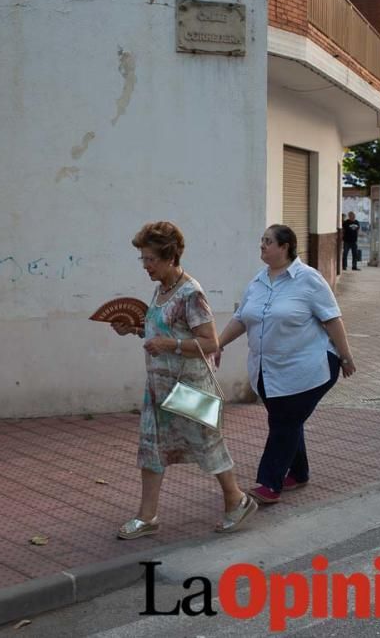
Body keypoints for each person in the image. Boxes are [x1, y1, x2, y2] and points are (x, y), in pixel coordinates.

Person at [110, 221, 257, 538]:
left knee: (208, 446)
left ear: (169, 257)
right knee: (151, 449)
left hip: (190, 388)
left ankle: (237, 500)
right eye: (143, 259)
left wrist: (170, 345)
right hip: (158, 390)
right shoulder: (162, 289)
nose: (145, 266)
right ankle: (147, 516)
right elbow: (161, 332)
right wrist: (134, 330)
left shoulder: (191, 293)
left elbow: (210, 343)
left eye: (150, 259)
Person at [216, 225, 356, 504]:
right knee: (287, 421)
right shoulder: (258, 281)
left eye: (268, 242)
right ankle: (299, 472)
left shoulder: (309, 280)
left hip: (310, 368)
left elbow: (332, 319)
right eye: (262, 241)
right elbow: (242, 318)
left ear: (285, 247)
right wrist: (218, 343)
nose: (262, 246)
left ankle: (270, 482)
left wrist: (346, 356)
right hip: (268, 371)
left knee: (285, 421)